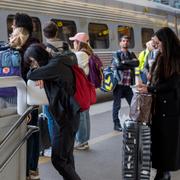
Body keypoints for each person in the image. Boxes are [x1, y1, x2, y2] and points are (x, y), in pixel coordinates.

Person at [24, 43, 81, 180]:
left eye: (32, 61)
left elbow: (31, 75)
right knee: (66, 156)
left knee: (58, 160)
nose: (33, 65)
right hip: (68, 115)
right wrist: (43, 75)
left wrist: (40, 74)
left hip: (65, 118)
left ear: (38, 57)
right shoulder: (58, 62)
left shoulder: (54, 66)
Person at [137, 27, 180, 180]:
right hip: (159, 109)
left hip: (170, 111)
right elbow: (159, 81)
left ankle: (163, 174)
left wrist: (150, 87)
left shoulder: (175, 58)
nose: (155, 46)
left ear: (165, 42)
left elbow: (172, 84)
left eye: (157, 43)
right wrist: (148, 84)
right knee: (160, 147)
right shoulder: (161, 56)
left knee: (166, 148)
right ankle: (162, 173)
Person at [10, 13, 40, 180]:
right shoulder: (18, 46)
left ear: (19, 27)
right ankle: (26, 170)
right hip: (19, 98)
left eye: (13, 25)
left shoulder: (32, 48)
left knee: (30, 133)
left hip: (28, 99)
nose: (11, 28)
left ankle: (31, 170)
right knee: (28, 133)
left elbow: (37, 71)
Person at [42, 21, 68, 142]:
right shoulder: (65, 45)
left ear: (44, 34)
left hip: (50, 88)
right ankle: (65, 142)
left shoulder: (43, 48)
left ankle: (55, 144)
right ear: (57, 32)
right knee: (64, 116)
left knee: (51, 117)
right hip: (65, 86)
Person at [112, 35, 139, 131]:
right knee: (117, 105)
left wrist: (124, 62)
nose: (125, 42)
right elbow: (118, 65)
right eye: (123, 41)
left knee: (133, 103)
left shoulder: (131, 53)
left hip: (127, 84)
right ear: (120, 43)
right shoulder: (116, 53)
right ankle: (116, 124)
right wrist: (129, 63)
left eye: (127, 41)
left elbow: (137, 63)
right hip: (118, 84)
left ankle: (135, 121)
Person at [69, 32, 91, 150]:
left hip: (80, 87)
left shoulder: (80, 54)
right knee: (85, 113)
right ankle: (84, 140)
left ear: (78, 43)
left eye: (74, 41)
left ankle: (82, 141)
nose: (73, 43)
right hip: (84, 87)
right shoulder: (86, 53)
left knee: (81, 114)